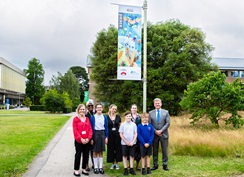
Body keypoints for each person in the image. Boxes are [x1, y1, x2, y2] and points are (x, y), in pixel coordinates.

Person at [149, 98, 170, 171]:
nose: (157, 104)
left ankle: (165, 164)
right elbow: (150, 123)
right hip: (154, 135)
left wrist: (161, 131)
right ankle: (155, 164)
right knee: (155, 150)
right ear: (154, 104)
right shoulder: (150, 113)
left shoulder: (166, 112)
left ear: (161, 104)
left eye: (158, 103)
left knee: (164, 150)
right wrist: (155, 131)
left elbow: (168, 123)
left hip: (164, 134)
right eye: (156, 103)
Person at [72, 104, 93, 176]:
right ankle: (76, 170)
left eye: (83, 109)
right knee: (78, 155)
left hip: (87, 141)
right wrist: (81, 139)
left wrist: (88, 138)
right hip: (79, 141)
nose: (82, 110)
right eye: (81, 109)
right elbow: (75, 131)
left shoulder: (87, 119)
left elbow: (90, 129)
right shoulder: (75, 119)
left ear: (85, 110)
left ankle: (84, 169)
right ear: (78, 110)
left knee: (86, 155)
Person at [90, 103, 108, 175]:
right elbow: (91, 128)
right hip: (95, 134)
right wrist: (91, 138)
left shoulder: (105, 117)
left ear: (102, 108)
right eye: (98, 108)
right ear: (96, 109)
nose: (99, 109)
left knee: (100, 151)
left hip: (102, 133)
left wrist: (106, 137)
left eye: (100, 107)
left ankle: (100, 167)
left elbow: (106, 127)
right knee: (95, 151)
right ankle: (96, 167)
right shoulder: (93, 117)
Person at [119, 111, 137, 176]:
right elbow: (121, 133)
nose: (128, 117)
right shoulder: (122, 124)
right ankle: (125, 169)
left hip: (132, 143)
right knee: (125, 156)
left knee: (132, 156)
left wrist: (132, 142)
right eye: (127, 116)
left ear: (131, 117)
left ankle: (131, 168)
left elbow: (135, 134)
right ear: (125, 117)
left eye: (130, 116)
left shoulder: (134, 124)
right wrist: (126, 142)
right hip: (124, 143)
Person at [106, 104, 122, 170]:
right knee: (111, 149)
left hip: (117, 135)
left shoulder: (118, 117)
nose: (114, 110)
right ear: (110, 109)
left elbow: (120, 126)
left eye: (115, 109)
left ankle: (117, 163)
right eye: (113, 109)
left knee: (117, 149)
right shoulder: (106, 117)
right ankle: (112, 163)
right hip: (110, 135)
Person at [85, 99, 95, 171]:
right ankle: (86, 165)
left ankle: (94, 163)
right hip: (87, 134)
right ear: (87, 106)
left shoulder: (95, 114)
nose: (90, 107)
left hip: (94, 134)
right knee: (86, 150)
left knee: (93, 150)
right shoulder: (86, 115)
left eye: (91, 105)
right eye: (89, 106)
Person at [130, 104, 141, 170]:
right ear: (131, 109)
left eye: (135, 108)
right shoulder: (128, 116)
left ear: (137, 109)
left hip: (138, 135)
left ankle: (137, 164)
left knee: (138, 150)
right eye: (133, 108)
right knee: (130, 149)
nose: (134, 109)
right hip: (130, 135)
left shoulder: (139, 116)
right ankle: (130, 165)